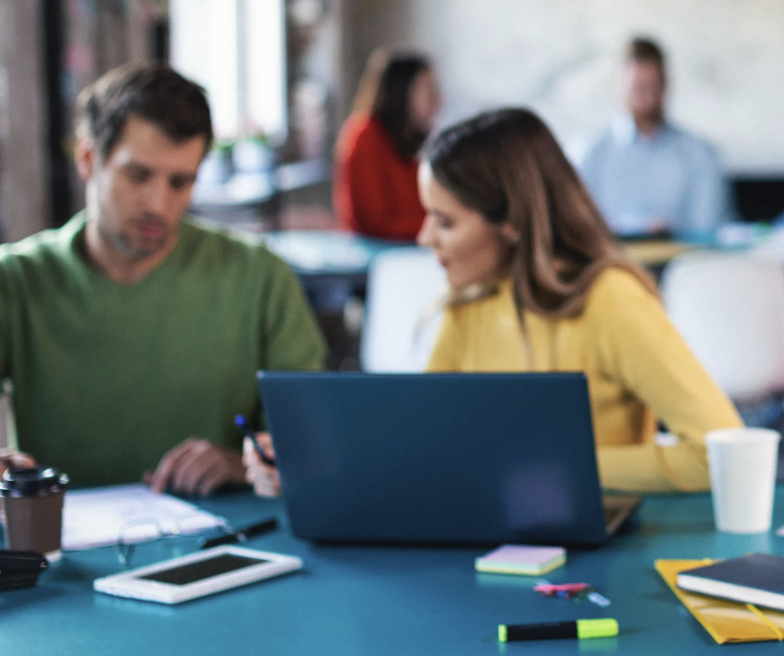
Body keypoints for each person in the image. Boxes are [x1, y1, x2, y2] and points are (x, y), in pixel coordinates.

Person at [249, 108, 742, 496]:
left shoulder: (610, 300)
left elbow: (719, 451)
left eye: (444, 222)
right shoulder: (466, 306)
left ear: (511, 223)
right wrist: (310, 461)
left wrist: (553, 468)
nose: (424, 238)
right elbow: (424, 448)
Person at [0, 63, 325, 514]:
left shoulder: (259, 276)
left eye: (181, 182)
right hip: (62, 562)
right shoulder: (9, 283)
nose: (159, 204)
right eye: (138, 176)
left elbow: (314, 439)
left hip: (229, 552)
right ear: (87, 159)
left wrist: (242, 464)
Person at [578, 38, 728, 238]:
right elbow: (580, 229)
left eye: (653, 87)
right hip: (609, 265)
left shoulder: (700, 154)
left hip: (682, 266)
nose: (647, 98)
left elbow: (708, 233)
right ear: (618, 86)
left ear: (666, 86)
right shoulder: (589, 153)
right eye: (638, 88)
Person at [333, 49, 441, 240]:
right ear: (401, 91)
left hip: (407, 245)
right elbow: (375, 222)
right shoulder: (364, 135)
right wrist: (444, 225)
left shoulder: (412, 138)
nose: (438, 99)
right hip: (378, 252)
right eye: (428, 89)